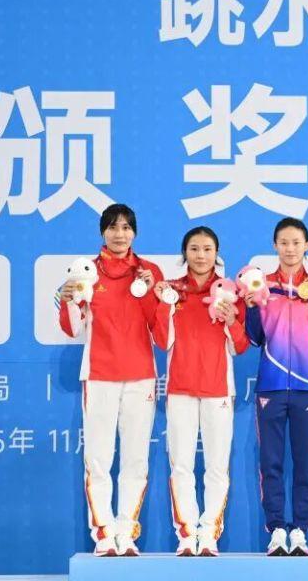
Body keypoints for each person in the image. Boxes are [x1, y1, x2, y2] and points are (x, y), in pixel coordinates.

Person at [58, 203, 163, 557]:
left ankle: (126, 531)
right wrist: (69, 301)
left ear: (135, 232)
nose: (120, 234)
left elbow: (161, 330)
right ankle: (103, 533)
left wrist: (152, 292)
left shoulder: (149, 272)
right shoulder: (85, 272)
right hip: (100, 375)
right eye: (113, 227)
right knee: (98, 459)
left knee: (135, 460)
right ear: (103, 231)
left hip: (141, 378)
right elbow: (72, 329)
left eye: (126, 227)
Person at [151, 226, 250, 557]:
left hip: (218, 390)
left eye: (207, 249)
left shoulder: (230, 292)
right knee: (180, 465)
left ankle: (208, 533)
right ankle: (186, 533)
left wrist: (231, 320)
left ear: (216, 253)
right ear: (185, 253)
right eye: (194, 248)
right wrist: (164, 304)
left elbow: (240, 346)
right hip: (180, 389)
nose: (201, 255)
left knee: (216, 467)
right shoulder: (172, 291)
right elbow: (161, 340)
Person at [244, 217, 308, 556]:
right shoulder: (262, 285)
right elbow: (255, 338)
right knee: (271, 463)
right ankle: (277, 530)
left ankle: (299, 530)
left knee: (304, 463)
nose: (290, 248)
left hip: (307, 386)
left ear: (307, 245)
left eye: (296, 242)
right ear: (275, 245)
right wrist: (251, 309)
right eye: (284, 242)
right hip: (271, 385)